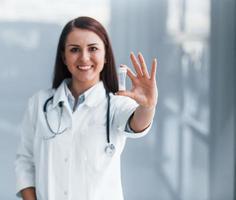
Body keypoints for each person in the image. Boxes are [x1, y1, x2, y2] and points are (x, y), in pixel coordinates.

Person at [15, 16, 158, 200]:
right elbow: (25, 162)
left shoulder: (116, 104)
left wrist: (147, 106)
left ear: (105, 55)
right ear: (64, 57)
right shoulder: (39, 103)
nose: (84, 57)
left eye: (93, 49)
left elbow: (137, 123)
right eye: (74, 50)